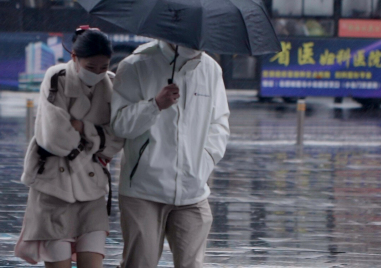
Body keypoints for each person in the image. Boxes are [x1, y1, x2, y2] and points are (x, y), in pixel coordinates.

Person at [111, 40, 230, 268]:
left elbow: (220, 123)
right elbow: (119, 125)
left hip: (193, 192)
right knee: (139, 263)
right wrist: (154, 105)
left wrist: (204, 161)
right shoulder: (136, 64)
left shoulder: (211, 69)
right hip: (144, 190)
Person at [15, 27, 124, 268]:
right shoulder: (57, 78)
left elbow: (117, 139)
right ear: (74, 57)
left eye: (103, 67)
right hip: (54, 186)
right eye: (90, 67)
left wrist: (83, 128)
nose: (97, 73)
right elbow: (55, 138)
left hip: (92, 189)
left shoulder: (113, 85)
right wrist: (96, 139)